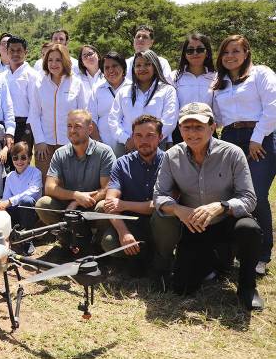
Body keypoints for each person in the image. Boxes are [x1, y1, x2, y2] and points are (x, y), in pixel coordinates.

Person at [153, 102, 263, 310]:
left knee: (249, 229)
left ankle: (248, 286)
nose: (192, 133)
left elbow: (249, 197)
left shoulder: (233, 153)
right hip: (195, 225)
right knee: (182, 288)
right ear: (179, 128)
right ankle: (215, 261)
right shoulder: (171, 156)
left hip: (228, 220)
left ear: (212, 127)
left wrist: (221, 206)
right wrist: (178, 209)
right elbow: (159, 195)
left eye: (199, 127)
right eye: (187, 127)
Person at [212, 34, 276, 276]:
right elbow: (217, 117)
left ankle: (262, 253)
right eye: (226, 52)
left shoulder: (261, 73)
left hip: (260, 136)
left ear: (246, 52)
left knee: (256, 196)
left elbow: (273, 106)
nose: (230, 56)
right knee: (231, 194)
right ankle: (234, 250)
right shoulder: (220, 82)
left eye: (236, 51)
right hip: (229, 137)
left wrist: (256, 138)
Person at [101, 115, 165, 277]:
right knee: (109, 242)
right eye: (138, 135)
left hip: (160, 223)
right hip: (132, 223)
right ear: (132, 137)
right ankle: (126, 257)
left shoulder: (169, 162)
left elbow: (162, 205)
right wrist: (124, 233)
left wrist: (123, 205)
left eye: (150, 135)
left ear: (160, 137)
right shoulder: (121, 164)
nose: (144, 140)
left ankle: (159, 256)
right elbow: (110, 202)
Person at [34, 110, 115, 239]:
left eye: (77, 126)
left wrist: (78, 201)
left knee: (104, 206)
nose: (72, 130)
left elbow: (108, 188)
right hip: (68, 205)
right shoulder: (60, 153)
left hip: (93, 204)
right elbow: (49, 187)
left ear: (90, 129)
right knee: (43, 204)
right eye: (69, 126)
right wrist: (75, 196)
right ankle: (67, 237)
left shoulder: (104, 152)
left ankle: (97, 241)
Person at [28, 43, 87, 183]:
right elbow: (34, 115)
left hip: (70, 143)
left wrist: (76, 141)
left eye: (58, 60)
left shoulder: (76, 83)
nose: (53, 64)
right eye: (50, 60)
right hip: (45, 145)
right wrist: (40, 141)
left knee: (70, 182)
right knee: (46, 182)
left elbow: (83, 115)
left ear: (65, 61)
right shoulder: (39, 84)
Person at [107, 49, 178, 156]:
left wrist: (151, 139)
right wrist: (126, 139)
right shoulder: (124, 91)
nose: (142, 68)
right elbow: (113, 120)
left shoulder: (167, 90)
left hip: (156, 145)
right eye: (138, 65)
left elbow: (169, 120)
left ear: (155, 66)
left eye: (147, 64)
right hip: (126, 146)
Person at [0, 142, 42, 256]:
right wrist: (2, 204)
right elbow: (6, 198)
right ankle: (6, 239)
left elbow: (33, 191)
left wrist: (10, 201)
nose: (19, 161)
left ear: (30, 158)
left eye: (23, 157)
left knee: (26, 200)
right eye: (15, 158)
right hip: (16, 211)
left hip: (31, 212)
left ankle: (27, 239)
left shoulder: (35, 172)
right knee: (0, 208)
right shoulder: (10, 176)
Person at [171, 33, 216, 144]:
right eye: (190, 50)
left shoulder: (216, 77)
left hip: (207, 130)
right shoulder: (174, 77)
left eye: (200, 49)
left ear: (207, 52)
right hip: (181, 131)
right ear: (185, 54)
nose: (195, 53)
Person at [89, 51, 131, 154]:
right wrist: (98, 144)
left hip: (129, 145)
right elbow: (91, 119)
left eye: (115, 66)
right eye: (106, 68)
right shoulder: (97, 89)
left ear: (123, 67)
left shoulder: (133, 88)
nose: (111, 70)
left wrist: (131, 142)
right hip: (103, 147)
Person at [4, 35, 38, 150]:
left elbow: (35, 105)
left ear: (25, 52)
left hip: (24, 124)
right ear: (7, 52)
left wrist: (28, 130)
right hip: (5, 123)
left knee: (21, 161)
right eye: (12, 51)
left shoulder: (32, 75)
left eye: (19, 50)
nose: (15, 54)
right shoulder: (2, 76)